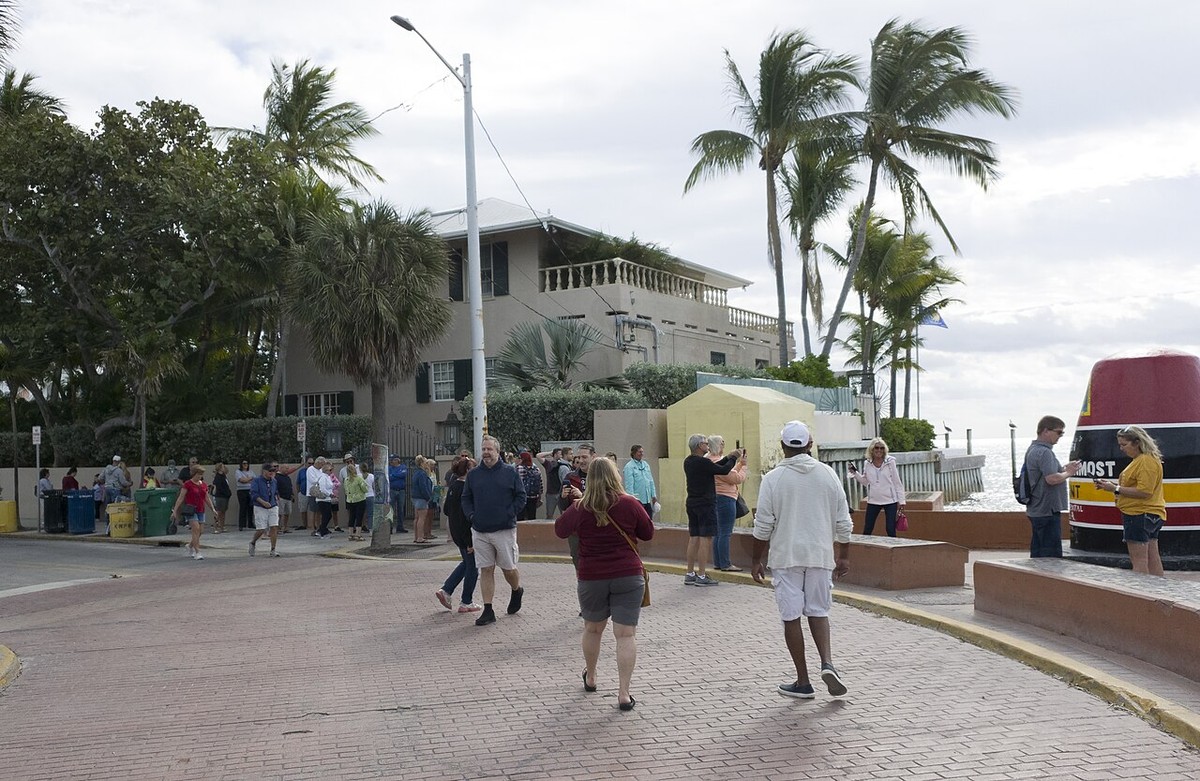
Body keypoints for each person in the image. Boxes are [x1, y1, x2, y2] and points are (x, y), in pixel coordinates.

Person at [751, 421, 852, 700]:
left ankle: (803, 681)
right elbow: (843, 522)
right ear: (810, 444)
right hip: (820, 555)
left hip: (786, 557)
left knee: (791, 616)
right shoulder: (829, 475)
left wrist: (755, 560)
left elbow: (763, 526)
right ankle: (828, 663)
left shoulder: (773, 479)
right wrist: (843, 556)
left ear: (783, 446)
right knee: (819, 611)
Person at [555, 457, 654, 711]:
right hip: (628, 575)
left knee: (593, 629)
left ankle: (591, 676)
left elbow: (559, 529)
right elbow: (648, 533)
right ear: (615, 476)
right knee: (626, 634)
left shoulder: (579, 507)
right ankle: (623, 692)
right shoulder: (629, 503)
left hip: (592, 577)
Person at [462, 435, 527, 626]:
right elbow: (466, 498)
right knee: (486, 569)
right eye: (483, 449)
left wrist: (509, 513)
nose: (486, 453)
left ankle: (517, 590)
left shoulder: (510, 472)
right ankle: (488, 609)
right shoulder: (474, 475)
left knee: (508, 569)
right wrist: (472, 516)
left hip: (504, 529)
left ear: (498, 451)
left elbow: (520, 496)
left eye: (490, 449)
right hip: (480, 530)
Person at [1094, 425, 1166, 576]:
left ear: (1137, 442)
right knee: (1153, 557)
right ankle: (1159, 590)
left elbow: (1145, 491)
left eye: (1124, 444)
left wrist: (1115, 488)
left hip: (1139, 514)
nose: (1121, 448)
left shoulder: (1145, 462)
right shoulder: (1146, 460)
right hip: (1150, 514)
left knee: (1139, 560)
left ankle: (1141, 594)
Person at [682, 433, 740, 586]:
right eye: (705, 443)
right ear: (699, 446)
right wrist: (733, 458)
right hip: (705, 504)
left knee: (693, 538)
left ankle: (689, 572)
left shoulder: (689, 461)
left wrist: (728, 457)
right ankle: (701, 575)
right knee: (705, 539)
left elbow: (717, 465)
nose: (708, 445)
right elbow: (723, 470)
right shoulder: (703, 462)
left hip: (692, 502)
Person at [1023, 415, 1080, 558]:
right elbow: (1052, 479)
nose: (1060, 436)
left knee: (1038, 551)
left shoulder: (1034, 449)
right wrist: (1069, 473)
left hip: (1037, 508)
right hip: (1047, 510)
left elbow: (1044, 475)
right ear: (1046, 431)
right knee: (1050, 555)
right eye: (1059, 432)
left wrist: (1063, 469)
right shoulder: (1044, 452)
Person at [435, 456, 482, 614]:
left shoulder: (454, 486)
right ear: (468, 470)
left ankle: (447, 590)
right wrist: (470, 542)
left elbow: (447, 510)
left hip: (457, 533)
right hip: (465, 535)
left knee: (466, 564)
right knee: (473, 567)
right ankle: (466, 601)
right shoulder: (466, 489)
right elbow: (465, 517)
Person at [850, 438, 907, 537]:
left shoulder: (890, 462)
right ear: (872, 449)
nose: (879, 450)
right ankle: (865, 549)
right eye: (876, 448)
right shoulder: (867, 463)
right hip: (873, 501)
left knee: (890, 529)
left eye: (882, 448)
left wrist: (901, 501)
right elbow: (865, 481)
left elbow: (897, 482)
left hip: (890, 500)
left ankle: (893, 550)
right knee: (868, 528)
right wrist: (855, 473)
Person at [709, 435, 747, 572]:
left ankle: (718, 562)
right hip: (726, 498)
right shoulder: (716, 460)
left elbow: (729, 472)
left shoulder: (709, 461)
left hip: (716, 498)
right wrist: (744, 467)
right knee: (725, 532)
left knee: (718, 532)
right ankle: (725, 563)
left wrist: (739, 464)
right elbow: (735, 478)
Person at [170, 465, 217, 560]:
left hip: (201, 509)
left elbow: (207, 498)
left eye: (201, 474)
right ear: (194, 474)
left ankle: (190, 545)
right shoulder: (187, 484)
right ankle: (198, 552)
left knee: (201, 531)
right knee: (195, 529)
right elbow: (181, 498)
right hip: (191, 510)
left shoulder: (203, 485)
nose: (200, 476)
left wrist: (213, 509)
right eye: (199, 474)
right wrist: (175, 511)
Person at [560, 446, 594, 568]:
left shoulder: (600, 477)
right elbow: (563, 506)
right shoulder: (570, 477)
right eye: (578, 457)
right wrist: (563, 497)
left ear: (593, 457)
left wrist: (583, 496)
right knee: (578, 563)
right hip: (576, 531)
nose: (581, 461)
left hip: (596, 529)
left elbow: (605, 500)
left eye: (584, 457)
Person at [248, 463, 281, 557]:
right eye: (269, 471)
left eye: (273, 471)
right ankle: (253, 542)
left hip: (273, 505)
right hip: (260, 506)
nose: (271, 473)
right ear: (264, 471)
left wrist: (276, 499)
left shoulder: (274, 481)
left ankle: (273, 549)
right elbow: (254, 494)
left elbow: (275, 491)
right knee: (261, 529)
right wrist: (263, 502)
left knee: (274, 526)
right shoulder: (257, 481)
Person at [622, 444, 657, 519]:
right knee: (640, 521)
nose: (641, 454)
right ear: (634, 453)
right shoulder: (629, 467)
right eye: (639, 452)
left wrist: (653, 495)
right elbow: (629, 485)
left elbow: (650, 480)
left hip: (647, 499)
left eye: (642, 452)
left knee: (649, 519)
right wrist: (631, 500)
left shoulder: (646, 465)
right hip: (638, 500)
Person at [410, 456, 435, 543]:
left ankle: (416, 536)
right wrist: (428, 497)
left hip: (415, 497)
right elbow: (423, 487)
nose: (427, 464)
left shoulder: (416, 473)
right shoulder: (422, 474)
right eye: (425, 462)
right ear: (422, 463)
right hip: (421, 497)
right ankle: (420, 537)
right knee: (421, 518)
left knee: (416, 518)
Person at [343, 462, 369, 541]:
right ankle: (358, 534)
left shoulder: (346, 480)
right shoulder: (359, 479)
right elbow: (364, 489)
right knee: (359, 517)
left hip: (350, 500)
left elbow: (346, 491)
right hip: (360, 499)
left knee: (352, 517)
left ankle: (350, 534)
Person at [312, 461, 337, 538]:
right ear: (326, 470)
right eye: (330, 470)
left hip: (327, 499)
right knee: (326, 515)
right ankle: (322, 531)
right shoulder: (323, 477)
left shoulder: (327, 477)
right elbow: (322, 488)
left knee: (328, 515)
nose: (331, 471)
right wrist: (329, 494)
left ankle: (322, 529)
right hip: (322, 499)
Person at [538, 447, 564, 519]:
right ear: (555, 454)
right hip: (551, 493)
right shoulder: (548, 464)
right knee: (549, 515)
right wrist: (550, 452)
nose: (561, 456)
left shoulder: (563, 465)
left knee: (564, 514)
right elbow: (538, 456)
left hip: (561, 493)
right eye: (560, 454)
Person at [517, 452, 543, 521]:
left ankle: (522, 531)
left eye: (520, 458)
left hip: (522, 497)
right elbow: (540, 484)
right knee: (532, 517)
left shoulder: (519, 468)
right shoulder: (536, 469)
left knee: (520, 517)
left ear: (522, 459)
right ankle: (532, 531)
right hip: (533, 497)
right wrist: (539, 496)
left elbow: (515, 483)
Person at [274, 462, 298, 533]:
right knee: (279, 513)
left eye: (288, 468)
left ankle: (285, 527)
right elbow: (275, 487)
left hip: (288, 498)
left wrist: (292, 494)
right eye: (286, 468)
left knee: (287, 512)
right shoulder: (276, 477)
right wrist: (277, 495)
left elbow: (290, 486)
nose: (287, 469)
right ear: (281, 468)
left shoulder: (287, 477)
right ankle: (277, 527)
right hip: (281, 497)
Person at [388, 454, 408, 534]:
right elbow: (389, 477)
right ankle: (390, 527)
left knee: (401, 509)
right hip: (392, 490)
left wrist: (393, 475)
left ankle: (400, 526)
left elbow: (403, 475)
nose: (392, 461)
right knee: (391, 509)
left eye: (393, 459)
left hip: (401, 490)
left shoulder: (403, 467)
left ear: (397, 460)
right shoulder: (389, 468)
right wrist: (396, 476)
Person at [306, 457, 327, 535]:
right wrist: (321, 479)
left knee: (319, 511)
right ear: (318, 463)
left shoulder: (320, 470)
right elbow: (313, 480)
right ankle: (312, 527)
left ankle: (318, 527)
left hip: (319, 493)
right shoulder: (310, 469)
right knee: (313, 510)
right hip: (312, 493)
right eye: (322, 464)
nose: (322, 466)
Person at [211, 462, 231, 533]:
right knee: (218, 512)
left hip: (225, 496)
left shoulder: (223, 476)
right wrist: (226, 492)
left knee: (223, 512)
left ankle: (222, 526)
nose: (224, 468)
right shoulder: (218, 477)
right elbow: (219, 487)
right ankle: (216, 527)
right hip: (220, 496)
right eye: (223, 467)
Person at [234, 460, 255, 531]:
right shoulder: (238, 472)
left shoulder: (251, 471)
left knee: (251, 507)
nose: (245, 465)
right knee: (243, 507)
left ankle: (250, 524)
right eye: (244, 463)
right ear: (241, 464)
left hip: (250, 490)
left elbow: (254, 479)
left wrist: (247, 480)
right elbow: (241, 480)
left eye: (247, 463)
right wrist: (249, 479)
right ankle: (241, 525)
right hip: (241, 491)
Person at [296, 456, 314, 531]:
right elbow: (298, 483)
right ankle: (304, 525)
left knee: (313, 510)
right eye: (309, 463)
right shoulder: (301, 471)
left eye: (312, 463)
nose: (311, 465)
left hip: (312, 494)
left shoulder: (315, 471)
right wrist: (299, 492)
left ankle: (314, 525)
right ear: (306, 463)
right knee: (303, 510)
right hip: (303, 493)